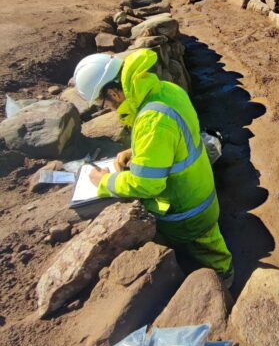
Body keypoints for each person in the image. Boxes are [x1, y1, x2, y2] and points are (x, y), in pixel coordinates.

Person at [73, 48, 233, 286]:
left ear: (115, 93)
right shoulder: (165, 91)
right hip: (200, 190)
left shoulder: (151, 121)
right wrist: (136, 153)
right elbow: (177, 139)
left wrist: (104, 181)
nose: (107, 108)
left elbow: (147, 184)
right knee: (209, 239)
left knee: (206, 248)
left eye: (103, 102)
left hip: (186, 210)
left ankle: (224, 282)